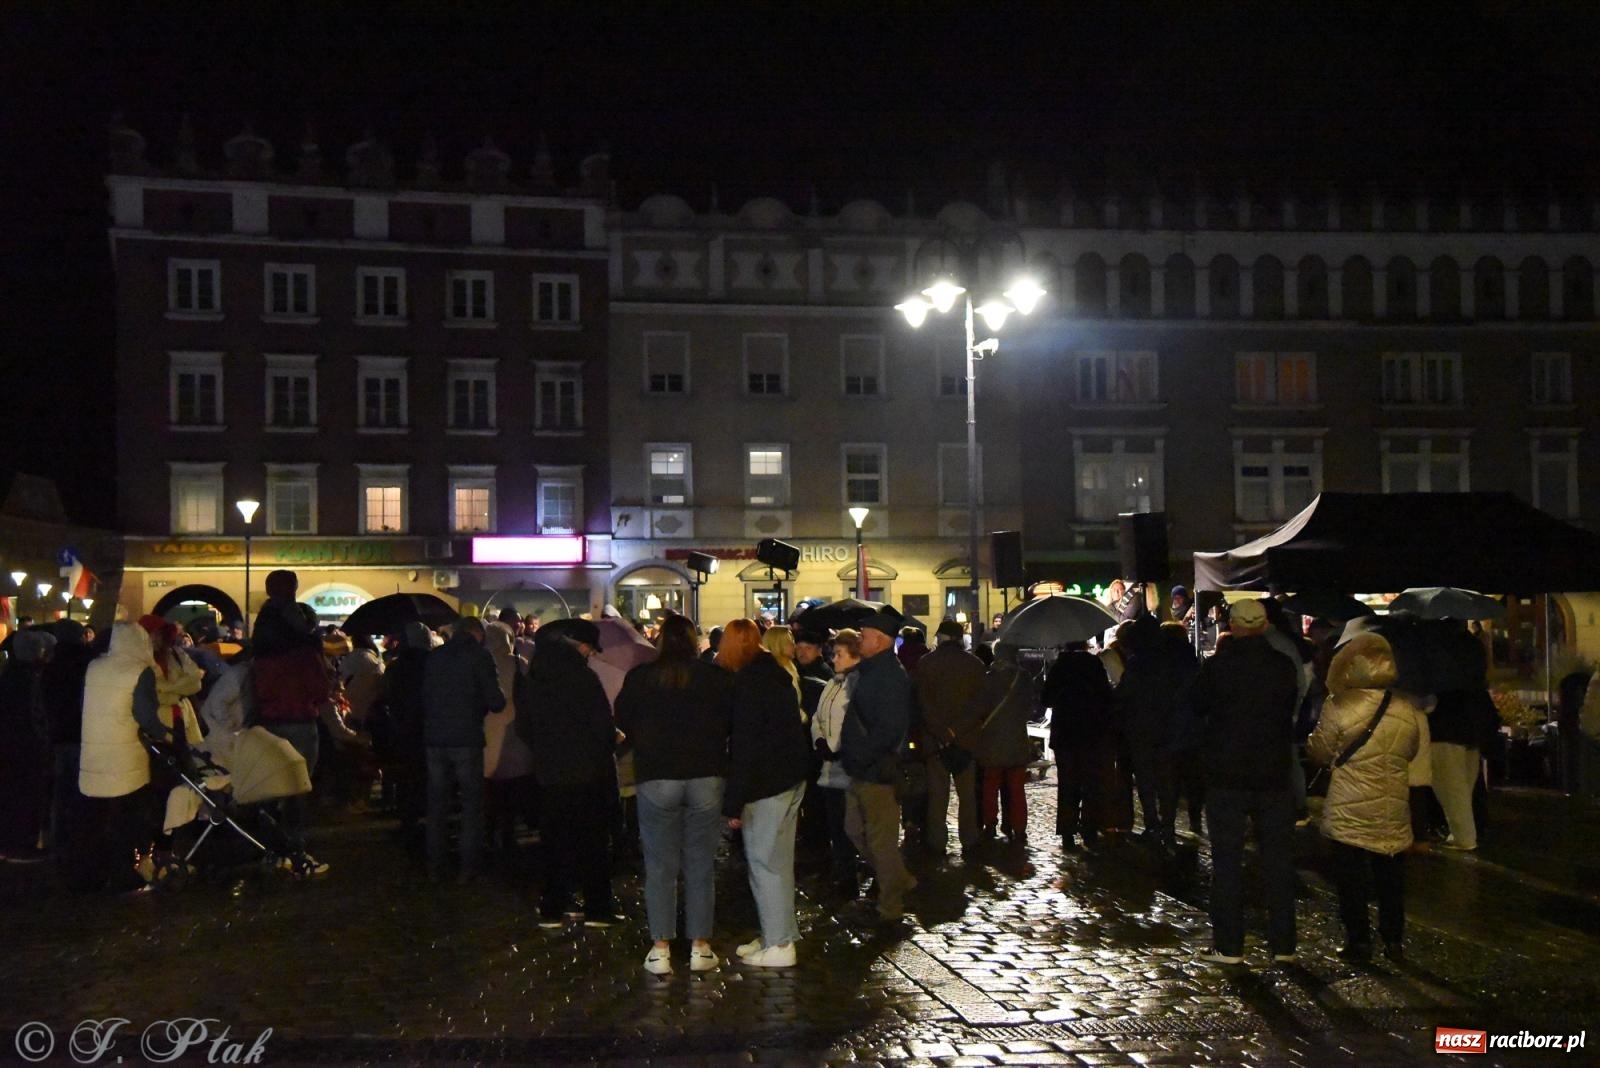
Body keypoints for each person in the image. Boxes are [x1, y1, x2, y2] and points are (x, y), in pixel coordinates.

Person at [617, 614, 734, 975]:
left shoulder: (641, 678)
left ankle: (660, 948)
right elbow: (731, 721)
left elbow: (622, 717)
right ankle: (700, 946)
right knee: (700, 864)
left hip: (656, 776)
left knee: (660, 866)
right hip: (706, 775)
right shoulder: (715, 678)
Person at [1188, 598, 1301, 965]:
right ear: (1265, 624)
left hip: (1227, 773)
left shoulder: (1218, 667)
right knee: (1279, 861)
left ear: (1233, 626)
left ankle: (1230, 945)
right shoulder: (1283, 667)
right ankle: (1284, 944)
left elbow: (1197, 708)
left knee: (1227, 861)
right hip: (1273, 772)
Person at [1307, 631, 1427, 962]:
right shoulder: (1404, 706)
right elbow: (1411, 749)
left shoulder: (1339, 705)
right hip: (1392, 804)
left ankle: (1358, 941)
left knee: (1351, 879)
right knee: (1391, 879)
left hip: (1350, 806)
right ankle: (1393, 940)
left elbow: (1320, 750)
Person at [718, 618, 812, 968]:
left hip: (766, 784)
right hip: (789, 777)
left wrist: (733, 802)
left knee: (764, 863)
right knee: (778, 863)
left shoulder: (748, 682)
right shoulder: (776, 674)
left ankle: (779, 942)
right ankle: (778, 932)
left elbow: (745, 746)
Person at [520, 623, 619, 924]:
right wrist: (611, 739)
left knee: (554, 842)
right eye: (589, 647)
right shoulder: (583, 677)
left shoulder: (534, 678)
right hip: (587, 773)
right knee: (592, 842)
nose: (591, 653)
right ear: (575, 645)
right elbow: (601, 726)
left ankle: (554, 905)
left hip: (549, 773)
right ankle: (597, 908)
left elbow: (524, 727)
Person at [839, 612, 917, 923]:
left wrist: (861, 754)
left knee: (881, 841)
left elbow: (889, 729)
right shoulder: (871, 671)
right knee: (854, 830)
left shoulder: (890, 676)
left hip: (876, 770)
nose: (860, 638)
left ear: (880, 641)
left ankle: (891, 906)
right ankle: (898, 878)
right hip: (860, 768)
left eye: (865, 633)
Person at [77, 622, 162, 892]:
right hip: (127, 756)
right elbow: (146, 716)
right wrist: (164, 734)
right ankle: (124, 873)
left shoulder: (94, 666)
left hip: (94, 753)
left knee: (99, 820)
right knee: (128, 818)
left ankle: (92, 873)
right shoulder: (140, 671)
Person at [251, 603, 334, 876]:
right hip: (299, 723)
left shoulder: (262, 654)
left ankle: (272, 850)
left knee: (270, 790)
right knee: (297, 789)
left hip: (267, 726)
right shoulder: (305, 655)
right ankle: (296, 850)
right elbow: (320, 691)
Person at [421, 616, 505, 883]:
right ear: (478, 633)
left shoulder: (435, 657)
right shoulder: (480, 656)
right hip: (466, 737)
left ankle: (436, 865)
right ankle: (468, 868)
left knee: (437, 805)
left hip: (434, 738)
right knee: (471, 805)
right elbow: (496, 702)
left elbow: (423, 695)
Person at [912, 619, 986, 857]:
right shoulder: (975, 664)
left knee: (937, 796)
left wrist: (942, 732)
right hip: (967, 741)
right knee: (967, 796)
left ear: (941, 638)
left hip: (936, 743)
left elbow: (922, 704)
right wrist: (957, 731)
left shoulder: (925, 663)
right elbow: (979, 705)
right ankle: (970, 839)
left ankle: (937, 841)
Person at [1428, 622, 1497, 852]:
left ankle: (1464, 837)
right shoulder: (1472, 645)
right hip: (1473, 721)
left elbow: (1435, 684)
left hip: (1446, 722)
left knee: (1450, 784)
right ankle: (1463, 833)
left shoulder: (1438, 649)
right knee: (1465, 782)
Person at [1043, 640, 1116, 851]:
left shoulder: (1059, 666)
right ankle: (1090, 828)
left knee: (1068, 784)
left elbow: (1046, 699)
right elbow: (1106, 697)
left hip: (1065, 733)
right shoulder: (1093, 665)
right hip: (1091, 732)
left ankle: (1067, 831)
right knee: (1090, 781)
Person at [811, 628, 863, 895]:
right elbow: (818, 717)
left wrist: (841, 748)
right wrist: (820, 741)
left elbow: (857, 723)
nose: (834, 659)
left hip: (849, 767)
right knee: (836, 825)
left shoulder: (859, 684)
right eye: (833, 654)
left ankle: (859, 873)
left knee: (852, 826)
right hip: (829, 767)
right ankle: (844, 873)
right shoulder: (833, 683)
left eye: (839, 654)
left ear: (855, 655)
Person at [972, 645, 1038, 843]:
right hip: (1016, 739)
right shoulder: (1023, 678)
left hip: (991, 740)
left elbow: (980, 708)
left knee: (990, 784)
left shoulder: (987, 678)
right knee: (1017, 787)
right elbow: (1029, 707)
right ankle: (1019, 828)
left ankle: (990, 824)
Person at [0, 629, 55, 861]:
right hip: (26, 747)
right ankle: (20, 845)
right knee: (25, 796)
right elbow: (34, 716)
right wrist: (43, 740)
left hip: (11, 746)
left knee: (12, 795)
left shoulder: (9, 675)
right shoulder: (29, 679)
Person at [482, 621, 536, 855]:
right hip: (515, 730)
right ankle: (508, 832)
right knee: (513, 785)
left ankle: (489, 831)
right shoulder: (519, 663)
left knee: (491, 785)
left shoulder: (482, 664)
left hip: (487, 731)